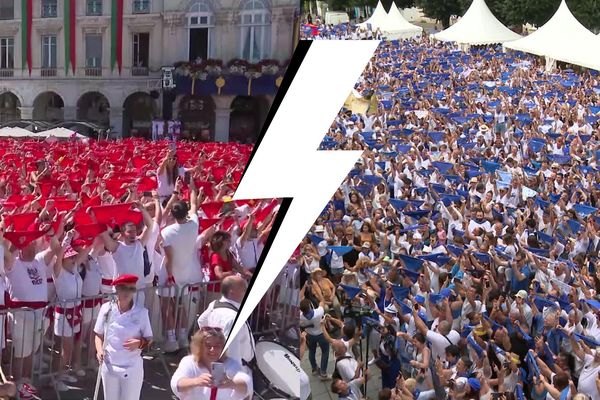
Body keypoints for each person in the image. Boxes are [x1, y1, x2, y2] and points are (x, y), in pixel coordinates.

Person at [94, 274, 153, 400]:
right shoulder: (106, 309)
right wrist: (99, 351)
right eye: (123, 288)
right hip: (110, 366)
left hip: (132, 367)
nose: (127, 292)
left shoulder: (142, 313)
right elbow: (98, 334)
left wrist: (139, 343)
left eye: (131, 289)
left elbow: (149, 339)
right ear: (117, 289)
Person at [170, 328, 252, 400]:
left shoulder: (231, 363)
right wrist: (196, 381)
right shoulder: (189, 362)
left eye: (217, 346)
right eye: (208, 345)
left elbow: (247, 383)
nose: (212, 350)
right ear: (199, 346)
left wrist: (231, 383)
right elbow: (176, 383)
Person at [98, 201, 155, 305]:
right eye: (129, 231)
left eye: (134, 231)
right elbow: (103, 233)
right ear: (123, 233)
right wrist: (95, 216)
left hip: (138, 292)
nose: (133, 234)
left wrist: (142, 209)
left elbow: (150, 225)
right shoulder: (116, 247)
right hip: (121, 294)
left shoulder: (140, 244)